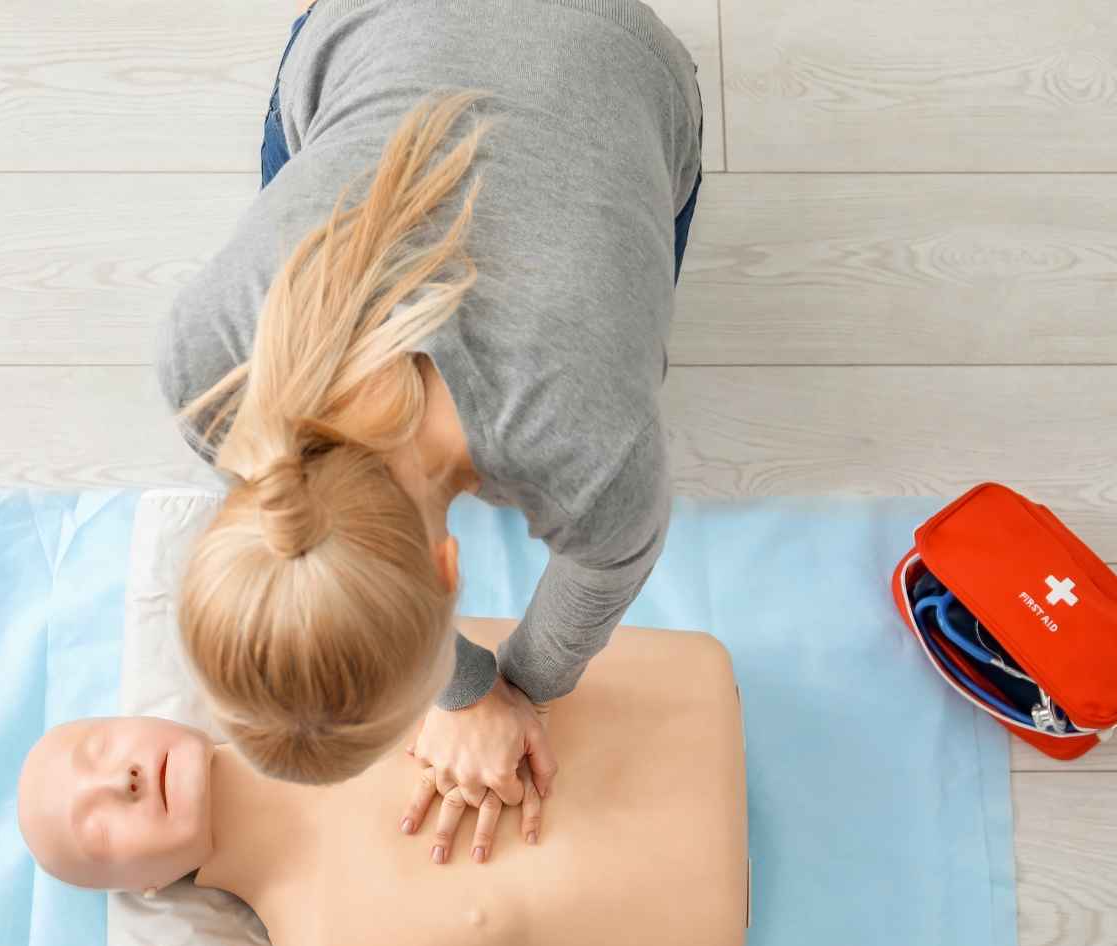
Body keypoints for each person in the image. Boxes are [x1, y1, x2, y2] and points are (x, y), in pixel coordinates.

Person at [154, 0, 705, 848]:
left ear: (453, 572)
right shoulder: (204, 365)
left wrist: (506, 694)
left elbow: (608, 568)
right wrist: (472, 688)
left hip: (615, 44)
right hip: (370, 22)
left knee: (628, 272)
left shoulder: (592, 445)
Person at [16, 621, 748, 946]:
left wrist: (467, 697)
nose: (123, 779)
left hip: (682, 695)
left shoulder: (312, 653)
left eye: (102, 747)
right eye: (99, 826)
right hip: (708, 915)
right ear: (145, 888)